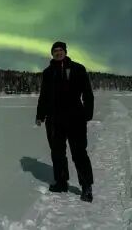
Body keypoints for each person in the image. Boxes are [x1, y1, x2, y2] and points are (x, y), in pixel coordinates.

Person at [35, 41, 94, 202]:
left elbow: (87, 92)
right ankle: (61, 182)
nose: (58, 52)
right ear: (52, 54)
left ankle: (86, 186)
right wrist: (40, 115)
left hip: (75, 118)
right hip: (54, 120)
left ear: (65, 52)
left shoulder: (78, 68)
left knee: (79, 152)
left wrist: (87, 113)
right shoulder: (48, 72)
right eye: (55, 50)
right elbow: (44, 96)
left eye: (61, 50)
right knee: (57, 153)